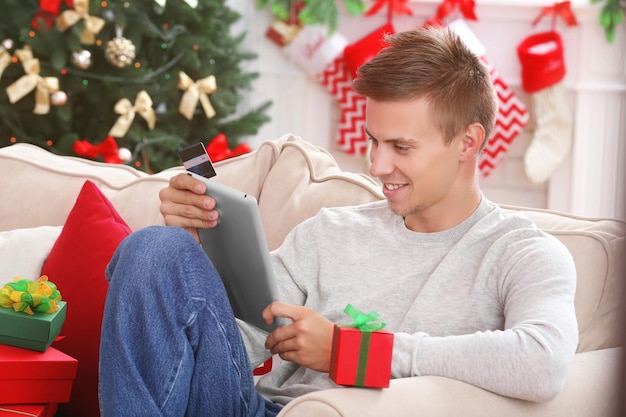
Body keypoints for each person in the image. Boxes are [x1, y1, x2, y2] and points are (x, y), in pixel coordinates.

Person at [98, 26, 578, 416]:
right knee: (156, 248)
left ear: (468, 143)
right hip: (257, 410)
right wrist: (186, 267)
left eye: (401, 147)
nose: (376, 165)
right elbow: (235, 345)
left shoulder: (524, 254)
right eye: (373, 141)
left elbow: (541, 364)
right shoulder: (329, 233)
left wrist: (351, 353)